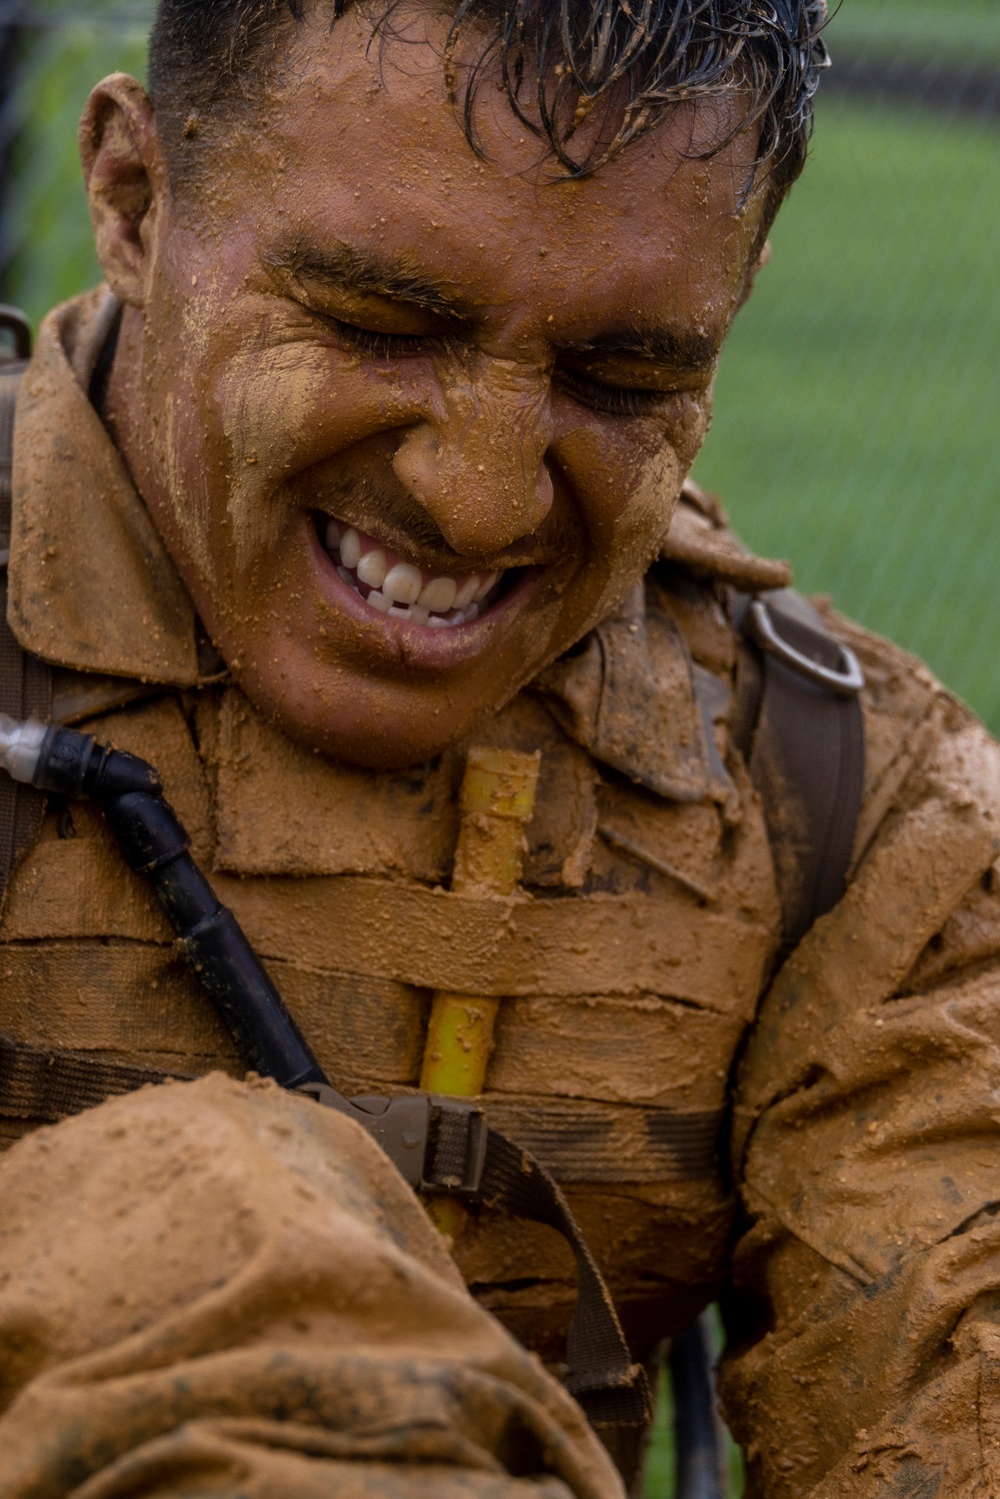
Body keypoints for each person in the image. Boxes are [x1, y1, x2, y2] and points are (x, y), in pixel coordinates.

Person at [1, 1, 999, 1495]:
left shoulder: (847, 813)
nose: (478, 499)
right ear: (135, 201)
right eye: (379, 324)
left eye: (622, 378)